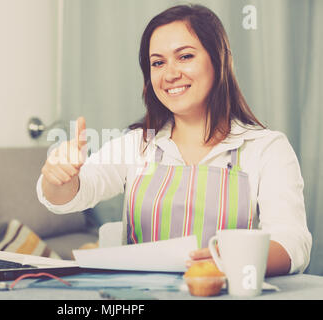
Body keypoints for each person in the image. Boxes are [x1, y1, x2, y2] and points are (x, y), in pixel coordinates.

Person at [37, 4, 312, 276]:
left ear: (219, 60)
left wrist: (234, 261)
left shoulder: (266, 148)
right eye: (158, 63)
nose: (170, 74)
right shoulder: (137, 145)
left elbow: (292, 243)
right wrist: (58, 178)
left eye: (185, 56)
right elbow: (73, 196)